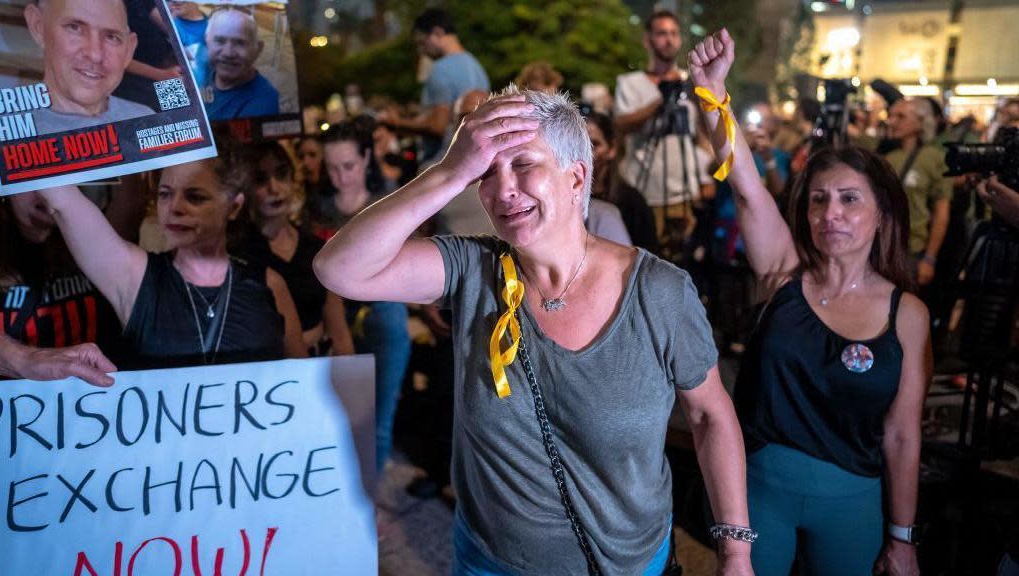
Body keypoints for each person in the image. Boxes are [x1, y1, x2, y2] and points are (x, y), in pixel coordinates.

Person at [314, 86, 755, 575]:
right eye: (486, 172)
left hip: (628, 564)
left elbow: (711, 416)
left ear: (575, 176)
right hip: (492, 562)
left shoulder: (660, 293)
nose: (502, 191)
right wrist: (449, 171)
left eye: (524, 165)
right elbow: (340, 270)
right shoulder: (472, 268)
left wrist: (735, 551)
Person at [692, 29, 927, 576]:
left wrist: (903, 538)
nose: (831, 214)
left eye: (849, 199)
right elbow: (747, 184)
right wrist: (712, 94)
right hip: (757, 497)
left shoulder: (906, 314)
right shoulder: (782, 272)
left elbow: (902, 434)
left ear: (882, 215)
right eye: (819, 200)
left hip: (851, 505)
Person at [34, 135, 307, 369]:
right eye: (165, 194)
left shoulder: (269, 285)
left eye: (194, 196)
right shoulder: (135, 276)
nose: (174, 208)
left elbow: (301, 385)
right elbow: (62, 202)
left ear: (233, 207)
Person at [310, 121, 411, 474]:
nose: (340, 177)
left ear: (367, 157)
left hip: (383, 316)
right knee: (337, 423)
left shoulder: (389, 201)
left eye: (348, 166)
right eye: (332, 168)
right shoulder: (317, 206)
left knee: (378, 422)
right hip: (331, 319)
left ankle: (366, 508)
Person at [240, 141, 354, 358]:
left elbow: (340, 336)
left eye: (281, 174)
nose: (274, 188)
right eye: (261, 179)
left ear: (293, 179)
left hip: (318, 364)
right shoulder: (239, 254)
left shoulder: (315, 248)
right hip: (268, 374)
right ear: (245, 189)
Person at [0, 191, 123, 377]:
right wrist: (25, 359)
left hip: (93, 396)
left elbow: (131, 202)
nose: (45, 193)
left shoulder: (94, 239)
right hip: (11, 400)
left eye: (54, 181)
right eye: (32, 182)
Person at [614, 10, 707, 247]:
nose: (669, 39)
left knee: (682, 267)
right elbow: (621, 124)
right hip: (644, 193)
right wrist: (658, 104)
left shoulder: (690, 83)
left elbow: (700, 136)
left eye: (674, 33)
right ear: (648, 40)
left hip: (683, 194)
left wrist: (706, 178)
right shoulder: (630, 83)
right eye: (662, 33)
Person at [24, 0, 154, 133]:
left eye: (111, 37)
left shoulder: (146, 121)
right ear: (38, 27)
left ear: (128, 51)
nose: (95, 55)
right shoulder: (5, 134)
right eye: (74, 28)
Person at [382, 8, 489, 164]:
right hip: (474, 160)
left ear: (437, 33)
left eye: (422, 43)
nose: (422, 51)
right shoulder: (477, 66)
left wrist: (397, 123)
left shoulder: (440, 69)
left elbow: (438, 126)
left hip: (441, 162)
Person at [885, 97, 952, 287]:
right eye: (891, 116)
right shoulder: (889, 158)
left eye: (901, 116)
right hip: (885, 247)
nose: (892, 121)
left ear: (920, 122)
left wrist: (930, 258)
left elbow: (941, 212)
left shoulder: (935, 159)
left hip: (913, 250)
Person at [585, 110, 659, 253]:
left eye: (595, 144)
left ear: (611, 149)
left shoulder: (631, 202)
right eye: (580, 143)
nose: (586, 151)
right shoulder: (563, 199)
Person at [202, 7, 279, 120]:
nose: (228, 53)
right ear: (206, 42)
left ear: (258, 49)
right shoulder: (200, 71)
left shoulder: (263, 102)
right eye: (220, 41)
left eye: (240, 43)